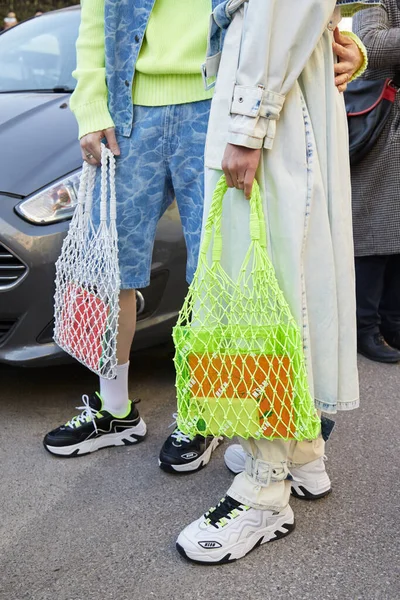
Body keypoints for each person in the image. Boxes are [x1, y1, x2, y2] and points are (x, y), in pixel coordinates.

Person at [43, 0, 366, 476]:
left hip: (218, 103)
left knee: (217, 273)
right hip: (128, 111)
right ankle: (114, 410)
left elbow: (287, 14)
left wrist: (347, 45)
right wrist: (89, 104)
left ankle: (205, 415)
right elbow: (96, 17)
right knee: (108, 266)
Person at [176, 0, 373, 565]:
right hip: (287, 92)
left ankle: (266, 488)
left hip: (274, 107)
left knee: (266, 284)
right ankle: (302, 449)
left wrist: (248, 119)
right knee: (290, 271)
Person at [351, 0, 400, 364]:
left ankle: (393, 322)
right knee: (375, 232)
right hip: (383, 121)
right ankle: (363, 327)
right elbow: (369, 42)